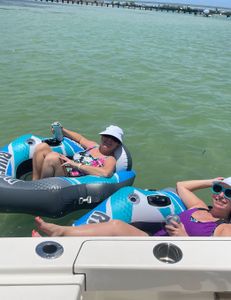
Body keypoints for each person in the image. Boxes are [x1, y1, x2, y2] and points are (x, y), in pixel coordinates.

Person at [32, 177, 231, 237]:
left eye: (228, 193)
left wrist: (184, 237)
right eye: (217, 189)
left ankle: (61, 233)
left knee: (116, 228)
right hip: (152, 240)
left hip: (170, 255)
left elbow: (212, 260)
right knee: (117, 224)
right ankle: (63, 232)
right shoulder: (199, 207)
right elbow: (181, 186)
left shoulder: (223, 228)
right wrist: (212, 180)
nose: (220, 195)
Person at [32, 124, 123, 180]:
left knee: (53, 157)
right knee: (42, 147)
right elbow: (80, 139)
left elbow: (105, 173)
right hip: (67, 168)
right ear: (102, 136)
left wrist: (77, 165)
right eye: (107, 136)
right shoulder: (93, 146)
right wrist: (62, 130)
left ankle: (40, 187)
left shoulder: (110, 159)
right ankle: (34, 182)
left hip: (72, 179)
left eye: (114, 139)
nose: (109, 140)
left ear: (117, 144)